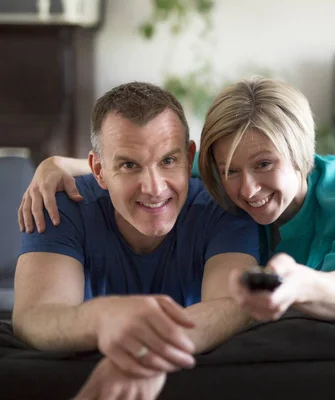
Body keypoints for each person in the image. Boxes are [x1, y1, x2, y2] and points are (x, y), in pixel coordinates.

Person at [20, 77, 335, 326]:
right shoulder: (210, 176)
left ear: (301, 153)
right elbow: (154, 170)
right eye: (230, 170)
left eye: (264, 164)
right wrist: (56, 165)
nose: (248, 190)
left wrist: (301, 285)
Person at [13, 82, 261, 399]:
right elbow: (34, 317)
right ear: (99, 171)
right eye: (130, 165)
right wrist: (104, 317)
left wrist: (142, 354)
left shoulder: (224, 211)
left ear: (189, 158)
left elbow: (232, 305)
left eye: (169, 161)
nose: (154, 188)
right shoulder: (58, 204)